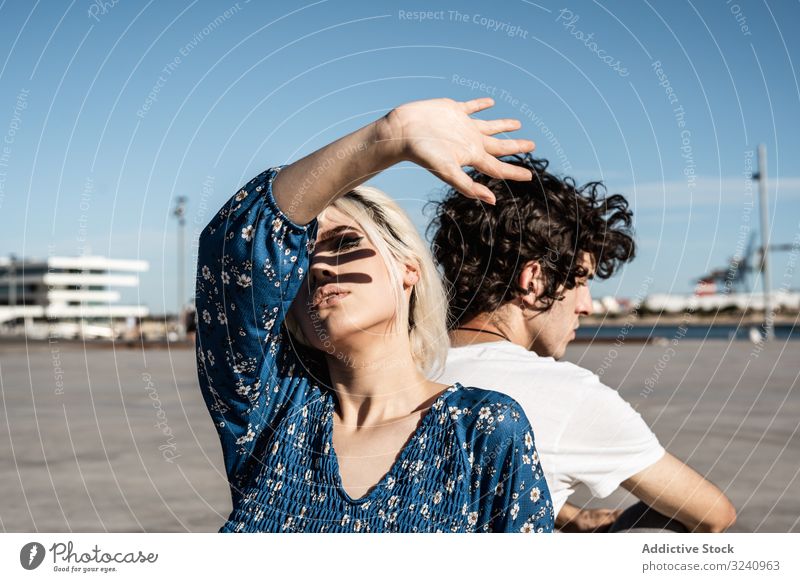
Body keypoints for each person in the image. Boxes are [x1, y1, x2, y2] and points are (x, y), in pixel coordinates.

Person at [195, 98, 554, 533]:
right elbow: (234, 248)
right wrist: (387, 137)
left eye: (343, 243)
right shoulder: (271, 413)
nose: (320, 267)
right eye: (301, 264)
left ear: (407, 268)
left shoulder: (482, 429)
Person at [430, 155, 737, 533]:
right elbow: (712, 514)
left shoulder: (395, 369)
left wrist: (570, 514)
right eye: (581, 282)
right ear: (535, 281)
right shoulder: (569, 395)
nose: (587, 306)